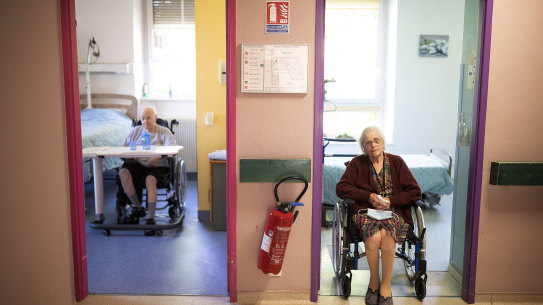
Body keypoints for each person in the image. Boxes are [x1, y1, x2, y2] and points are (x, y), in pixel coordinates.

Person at [336, 126, 421, 305]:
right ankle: (373, 283)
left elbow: (415, 192)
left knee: (388, 237)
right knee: (374, 238)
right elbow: (341, 188)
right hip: (367, 212)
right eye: (368, 142)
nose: (373, 145)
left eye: (376, 140)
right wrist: (368, 196)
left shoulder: (397, 162)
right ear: (363, 147)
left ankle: (386, 286)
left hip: (394, 212)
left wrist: (392, 200)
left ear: (383, 142)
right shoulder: (357, 163)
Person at [119, 106, 176, 225]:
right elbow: (122, 148)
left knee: (150, 179)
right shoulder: (136, 131)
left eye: (148, 118)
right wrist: (130, 155)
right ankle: (138, 207)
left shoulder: (164, 132)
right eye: (143, 118)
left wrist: (158, 156)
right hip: (138, 165)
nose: (145, 121)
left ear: (155, 117)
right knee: (123, 172)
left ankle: (150, 218)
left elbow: (172, 149)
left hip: (158, 167)